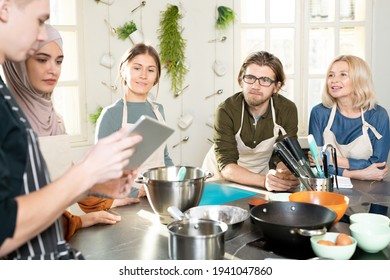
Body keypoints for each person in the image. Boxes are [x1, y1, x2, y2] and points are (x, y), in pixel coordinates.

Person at [0, 0, 142, 259]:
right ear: (4, 9)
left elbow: (37, 193)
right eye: (39, 20)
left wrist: (92, 187)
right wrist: (85, 175)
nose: (41, 34)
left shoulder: (18, 106)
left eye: (59, 60)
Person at [77, 43, 174, 213]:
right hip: (125, 203)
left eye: (150, 70)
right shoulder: (111, 115)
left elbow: (164, 157)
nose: (143, 75)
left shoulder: (158, 110)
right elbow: (101, 172)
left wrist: (175, 180)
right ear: (123, 70)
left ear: (157, 76)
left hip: (157, 198)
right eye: (137, 68)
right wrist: (138, 191)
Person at [202, 51, 300, 191]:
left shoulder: (286, 110)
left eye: (265, 80)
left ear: (276, 87)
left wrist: (285, 177)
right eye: (250, 78)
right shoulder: (226, 110)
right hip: (219, 178)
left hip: (260, 176)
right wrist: (265, 181)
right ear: (242, 80)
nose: (255, 86)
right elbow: (227, 167)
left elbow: (284, 157)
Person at [309, 54, 390, 181]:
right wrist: (355, 174)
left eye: (343, 74)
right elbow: (317, 164)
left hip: (370, 189)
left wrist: (330, 160)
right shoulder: (319, 113)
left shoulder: (378, 115)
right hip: (329, 188)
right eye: (331, 75)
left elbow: (379, 167)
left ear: (360, 79)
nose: (334, 80)